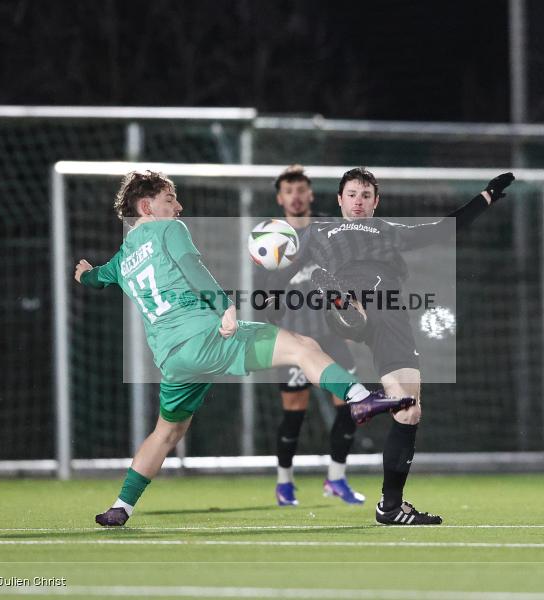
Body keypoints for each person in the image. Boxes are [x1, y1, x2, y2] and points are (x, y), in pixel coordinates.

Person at [74, 170, 414, 527]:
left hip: (173, 361)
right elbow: (192, 267)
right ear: (146, 206)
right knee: (302, 346)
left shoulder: (123, 258)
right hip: (211, 339)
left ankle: (121, 506)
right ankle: (359, 396)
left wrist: (84, 274)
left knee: (166, 432)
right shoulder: (169, 229)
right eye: (169, 199)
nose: (179, 206)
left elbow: (97, 279)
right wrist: (225, 306)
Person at [297, 168, 515, 525]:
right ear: (339, 200)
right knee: (353, 308)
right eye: (351, 194)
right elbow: (277, 262)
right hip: (352, 294)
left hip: (392, 315)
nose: (358, 202)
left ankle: (391, 507)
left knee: (409, 411)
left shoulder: (389, 230)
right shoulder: (316, 232)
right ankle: (344, 305)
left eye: (366, 196)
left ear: (376, 202)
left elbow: (445, 229)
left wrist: (486, 197)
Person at [256, 165, 363, 507]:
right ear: (280, 198)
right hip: (294, 337)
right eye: (289, 191)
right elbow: (264, 291)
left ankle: (336, 478)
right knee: (294, 412)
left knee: (350, 404)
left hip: (330, 334)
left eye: (301, 189)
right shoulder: (271, 237)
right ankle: (284, 483)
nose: (296, 196)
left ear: (311, 194)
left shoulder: (328, 230)